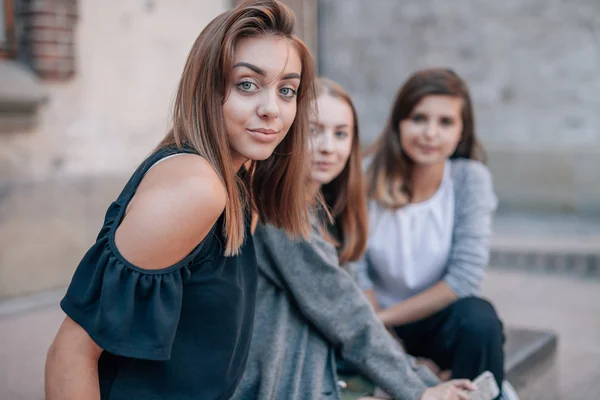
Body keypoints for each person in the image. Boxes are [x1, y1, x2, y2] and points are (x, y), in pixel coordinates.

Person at [44, 1, 316, 399]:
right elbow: (70, 353)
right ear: (207, 89)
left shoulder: (237, 179)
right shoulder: (196, 188)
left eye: (287, 90)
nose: (271, 109)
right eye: (247, 84)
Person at [231, 77, 477, 400]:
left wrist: (416, 373)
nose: (328, 147)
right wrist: (422, 389)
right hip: (277, 383)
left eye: (341, 133)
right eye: (313, 130)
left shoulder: (322, 212)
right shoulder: (279, 212)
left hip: (319, 366)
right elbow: (346, 314)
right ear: (287, 131)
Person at [356, 68, 513, 399]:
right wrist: (389, 340)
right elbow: (355, 266)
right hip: (370, 322)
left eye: (445, 122)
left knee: (479, 320)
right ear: (399, 122)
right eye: (418, 118)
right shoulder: (365, 175)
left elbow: (464, 279)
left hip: (432, 322)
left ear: (461, 132)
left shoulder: (470, 180)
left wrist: (384, 319)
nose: (430, 133)